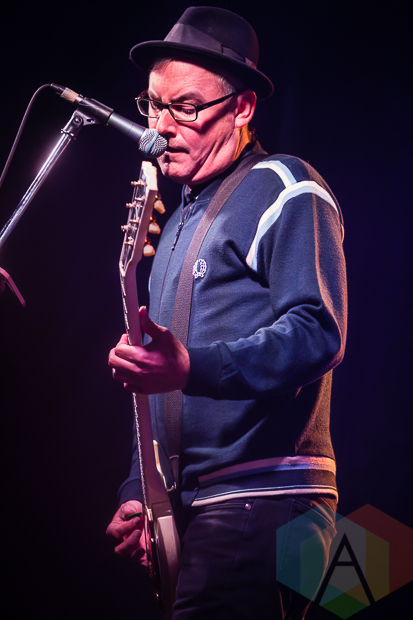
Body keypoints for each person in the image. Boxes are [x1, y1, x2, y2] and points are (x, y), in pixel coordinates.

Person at [106, 6, 347, 619]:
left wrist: (190, 365)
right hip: (198, 505)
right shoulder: (175, 223)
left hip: (268, 498)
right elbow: (157, 382)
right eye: (153, 106)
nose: (161, 128)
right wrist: (140, 491)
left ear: (242, 108)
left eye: (186, 108)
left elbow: (318, 332)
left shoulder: (286, 185)